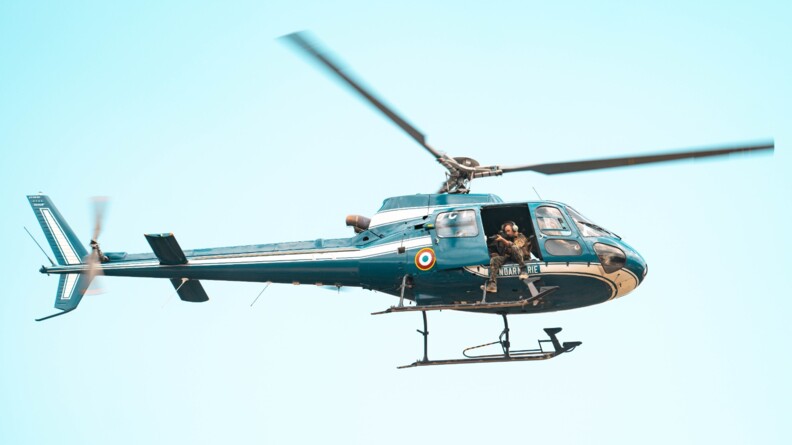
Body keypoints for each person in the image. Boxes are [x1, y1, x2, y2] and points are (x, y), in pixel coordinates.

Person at [484, 221, 532, 293]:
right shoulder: (507, 238)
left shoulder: (520, 236)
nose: (507, 233)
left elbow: (515, 247)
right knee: (494, 259)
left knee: (514, 248)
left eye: (509, 231)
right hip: (509, 257)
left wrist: (503, 240)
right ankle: (492, 284)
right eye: (506, 231)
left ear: (514, 229)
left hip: (521, 257)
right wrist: (494, 253)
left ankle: (523, 270)